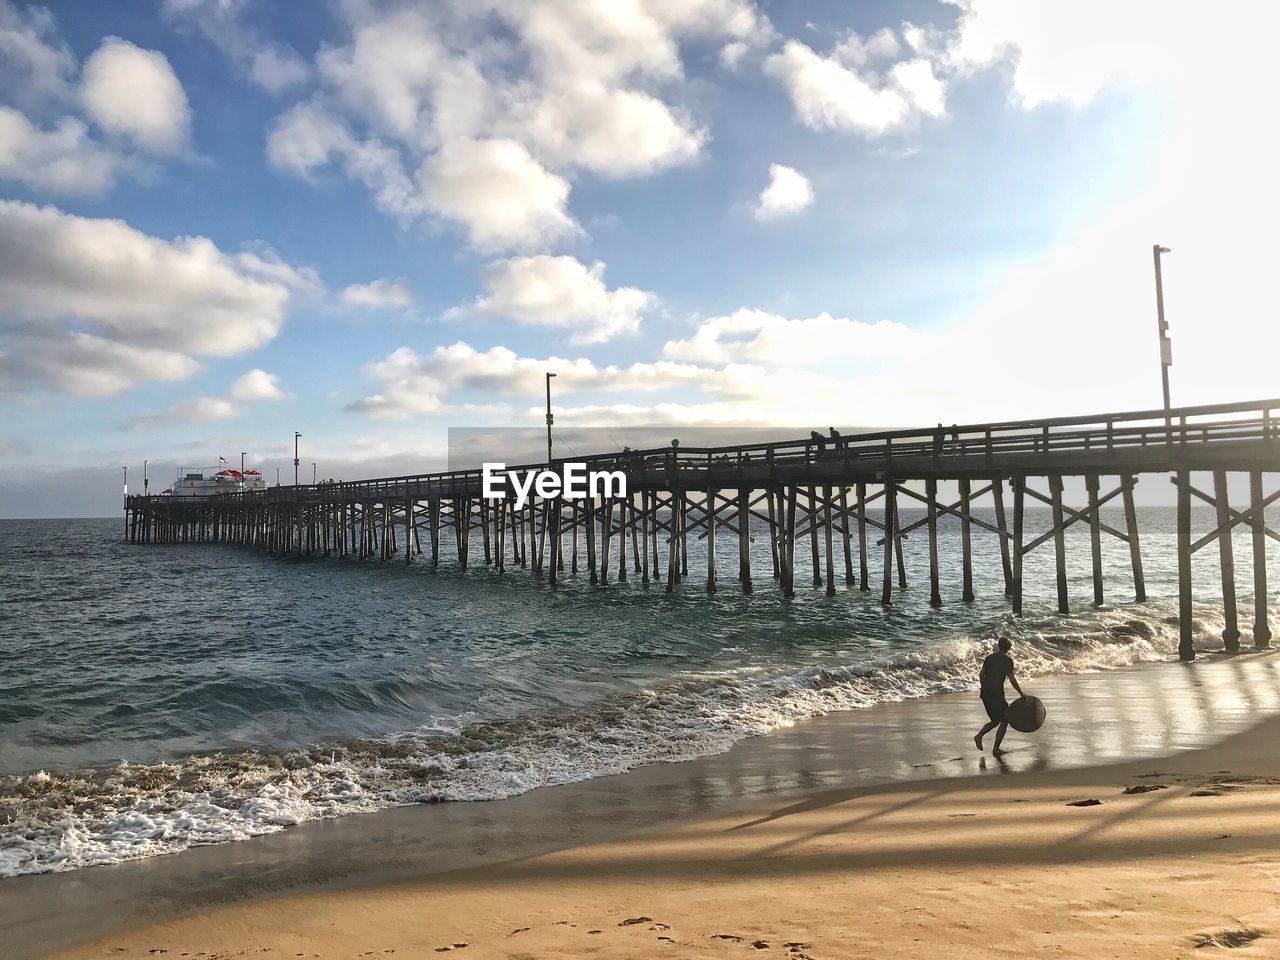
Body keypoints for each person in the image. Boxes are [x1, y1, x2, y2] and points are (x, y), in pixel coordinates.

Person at [974, 637, 1025, 754]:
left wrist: (984, 687)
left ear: (998, 646)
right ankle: (995, 748)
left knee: (995, 721)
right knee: (1005, 719)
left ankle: (979, 736)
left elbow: (981, 674)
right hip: (996, 694)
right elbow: (1012, 679)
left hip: (985, 693)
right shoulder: (1007, 660)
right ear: (1008, 648)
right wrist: (1021, 693)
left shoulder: (989, 658)